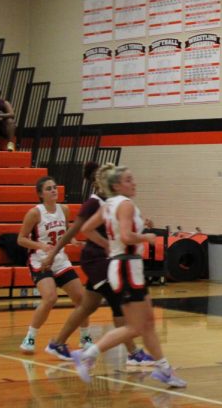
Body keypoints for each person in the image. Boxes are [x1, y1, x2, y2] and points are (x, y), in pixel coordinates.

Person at [71, 164, 186, 388]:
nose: (133, 183)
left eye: (132, 179)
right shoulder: (124, 204)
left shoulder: (108, 204)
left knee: (149, 323)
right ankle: (87, 354)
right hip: (126, 266)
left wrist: (107, 245)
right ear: (116, 185)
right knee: (135, 327)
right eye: (128, 180)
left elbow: (86, 228)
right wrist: (147, 237)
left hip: (124, 265)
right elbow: (125, 236)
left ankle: (163, 369)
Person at [41, 161, 155, 366]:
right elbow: (75, 230)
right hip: (97, 260)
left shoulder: (114, 202)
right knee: (118, 303)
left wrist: (140, 226)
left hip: (106, 260)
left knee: (87, 305)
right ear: (101, 181)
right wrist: (53, 254)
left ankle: (57, 343)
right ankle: (133, 353)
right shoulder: (94, 202)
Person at [17, 176, 92, 353]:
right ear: (40, 194)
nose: (53, 191)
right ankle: (30, 338)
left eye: (55, 188)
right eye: (49, 188)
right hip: (40, 260)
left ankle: (85, 336)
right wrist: (40, 245)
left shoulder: (64, 209)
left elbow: (66, 231)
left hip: (60, 259)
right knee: (50, 298)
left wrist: (74, 240)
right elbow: (20, 239)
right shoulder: (35, 213)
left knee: (82, 298)